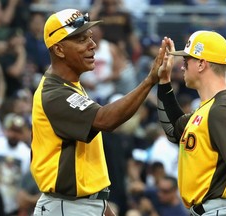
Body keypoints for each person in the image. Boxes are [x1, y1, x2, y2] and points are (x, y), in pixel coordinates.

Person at [30, 8, 166, 216]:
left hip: (79, 205)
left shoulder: (71, 85)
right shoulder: (54, 93)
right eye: (81, 39)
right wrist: (149, 81)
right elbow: (105, 120)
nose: (92, 45)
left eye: (90, 37)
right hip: (67, 206)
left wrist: (102, 208)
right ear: (59, 50)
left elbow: (84, 169)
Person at [156, 31, 226, 215]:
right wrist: (164, 80)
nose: (182, 67)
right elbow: (172, 129)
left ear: (201, 64)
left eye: (186, 61)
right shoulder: (207, 109)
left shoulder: (224, 108)